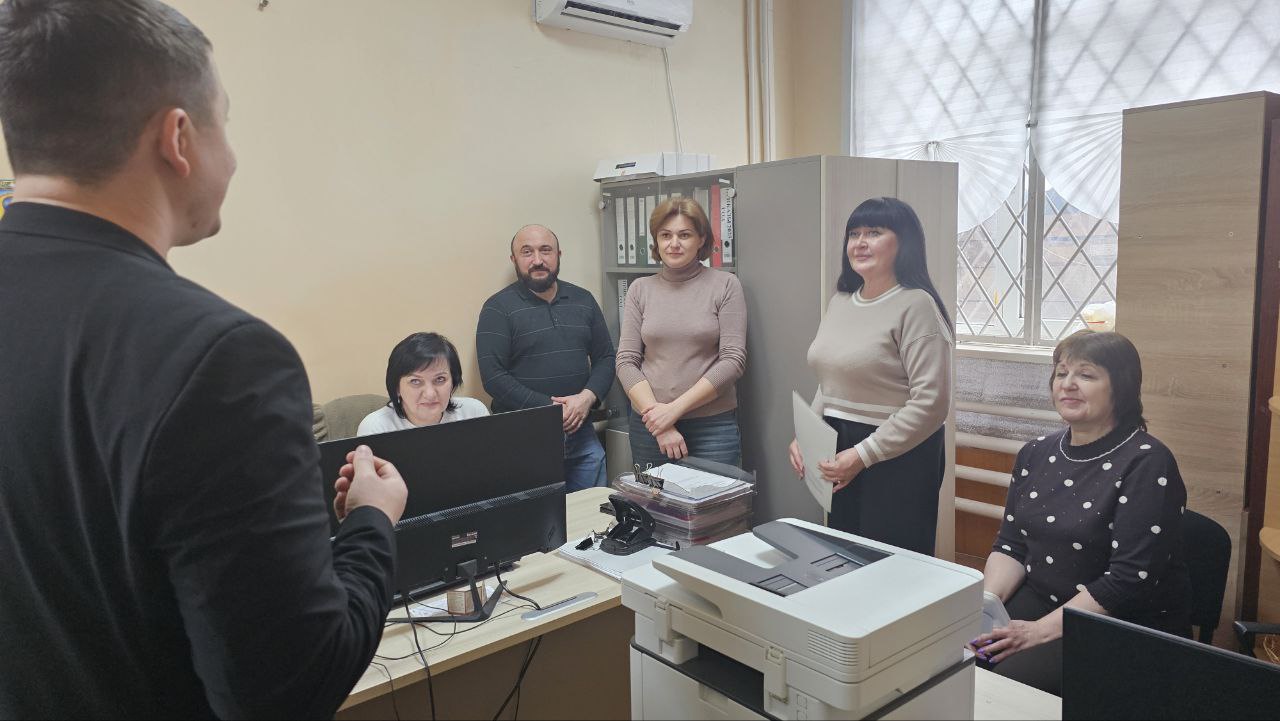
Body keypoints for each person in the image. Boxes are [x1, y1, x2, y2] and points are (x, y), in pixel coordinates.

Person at [0, 1, 407, 717]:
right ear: (179, 137)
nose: (236, 156)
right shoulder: (222, 360)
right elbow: (289, 689)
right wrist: (372, 522)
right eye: (225, 121)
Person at [968, 330, 1190, 696]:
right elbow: (1012, 545)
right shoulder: (1035, 452)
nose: (1068, 384)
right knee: (954, 654)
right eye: (1061, 373)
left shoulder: (1148, 463)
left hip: (1118, 621)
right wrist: (984, 608)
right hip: (1042, 599)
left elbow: (1126, 580)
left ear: (1121, 388)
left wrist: (1037, 632)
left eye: (1086, 374)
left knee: (1001, 685)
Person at [788, 196, 952, 555]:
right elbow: (833, 379)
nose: (860, 243)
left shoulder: (916, 305)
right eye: (854, 234)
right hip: (841, 444)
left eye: (874, 233)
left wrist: (863, 455)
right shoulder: (841, 301)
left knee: (891, 566)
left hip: (896, 452)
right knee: (845, 557)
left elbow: (931, 403)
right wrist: (807, 434)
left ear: (903, 242)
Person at [476, 224, 615, 491]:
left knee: (591, 510)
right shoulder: (498, 308)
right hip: (524, 438)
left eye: (545, 250)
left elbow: (606, 357)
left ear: (559, 255)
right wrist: (551, 409)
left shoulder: (583, 300)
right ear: (514, 259)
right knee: (539, 515)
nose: (537, 260)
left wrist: (586, 398)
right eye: (527, 252)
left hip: (582, 434)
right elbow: (493, 376)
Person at [616, 197, 747, 469]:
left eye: (684, 235)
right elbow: (626, 361)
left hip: (712, 428)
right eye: (665, 235)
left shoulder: (725, 285)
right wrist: (660, 421)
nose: (673, 243)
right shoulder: (640, 289)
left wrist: (673, 411)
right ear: (656, 241)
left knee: (717, 498)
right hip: (650, 426)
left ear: (701, 239)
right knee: (654, 498)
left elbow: (733, 360)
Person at [358, 332, 489, 435]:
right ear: (397, 387)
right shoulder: (376, 427)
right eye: (415, 381)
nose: (430, 394)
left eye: (440, 379)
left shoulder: (474, 413)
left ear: (453, 382)